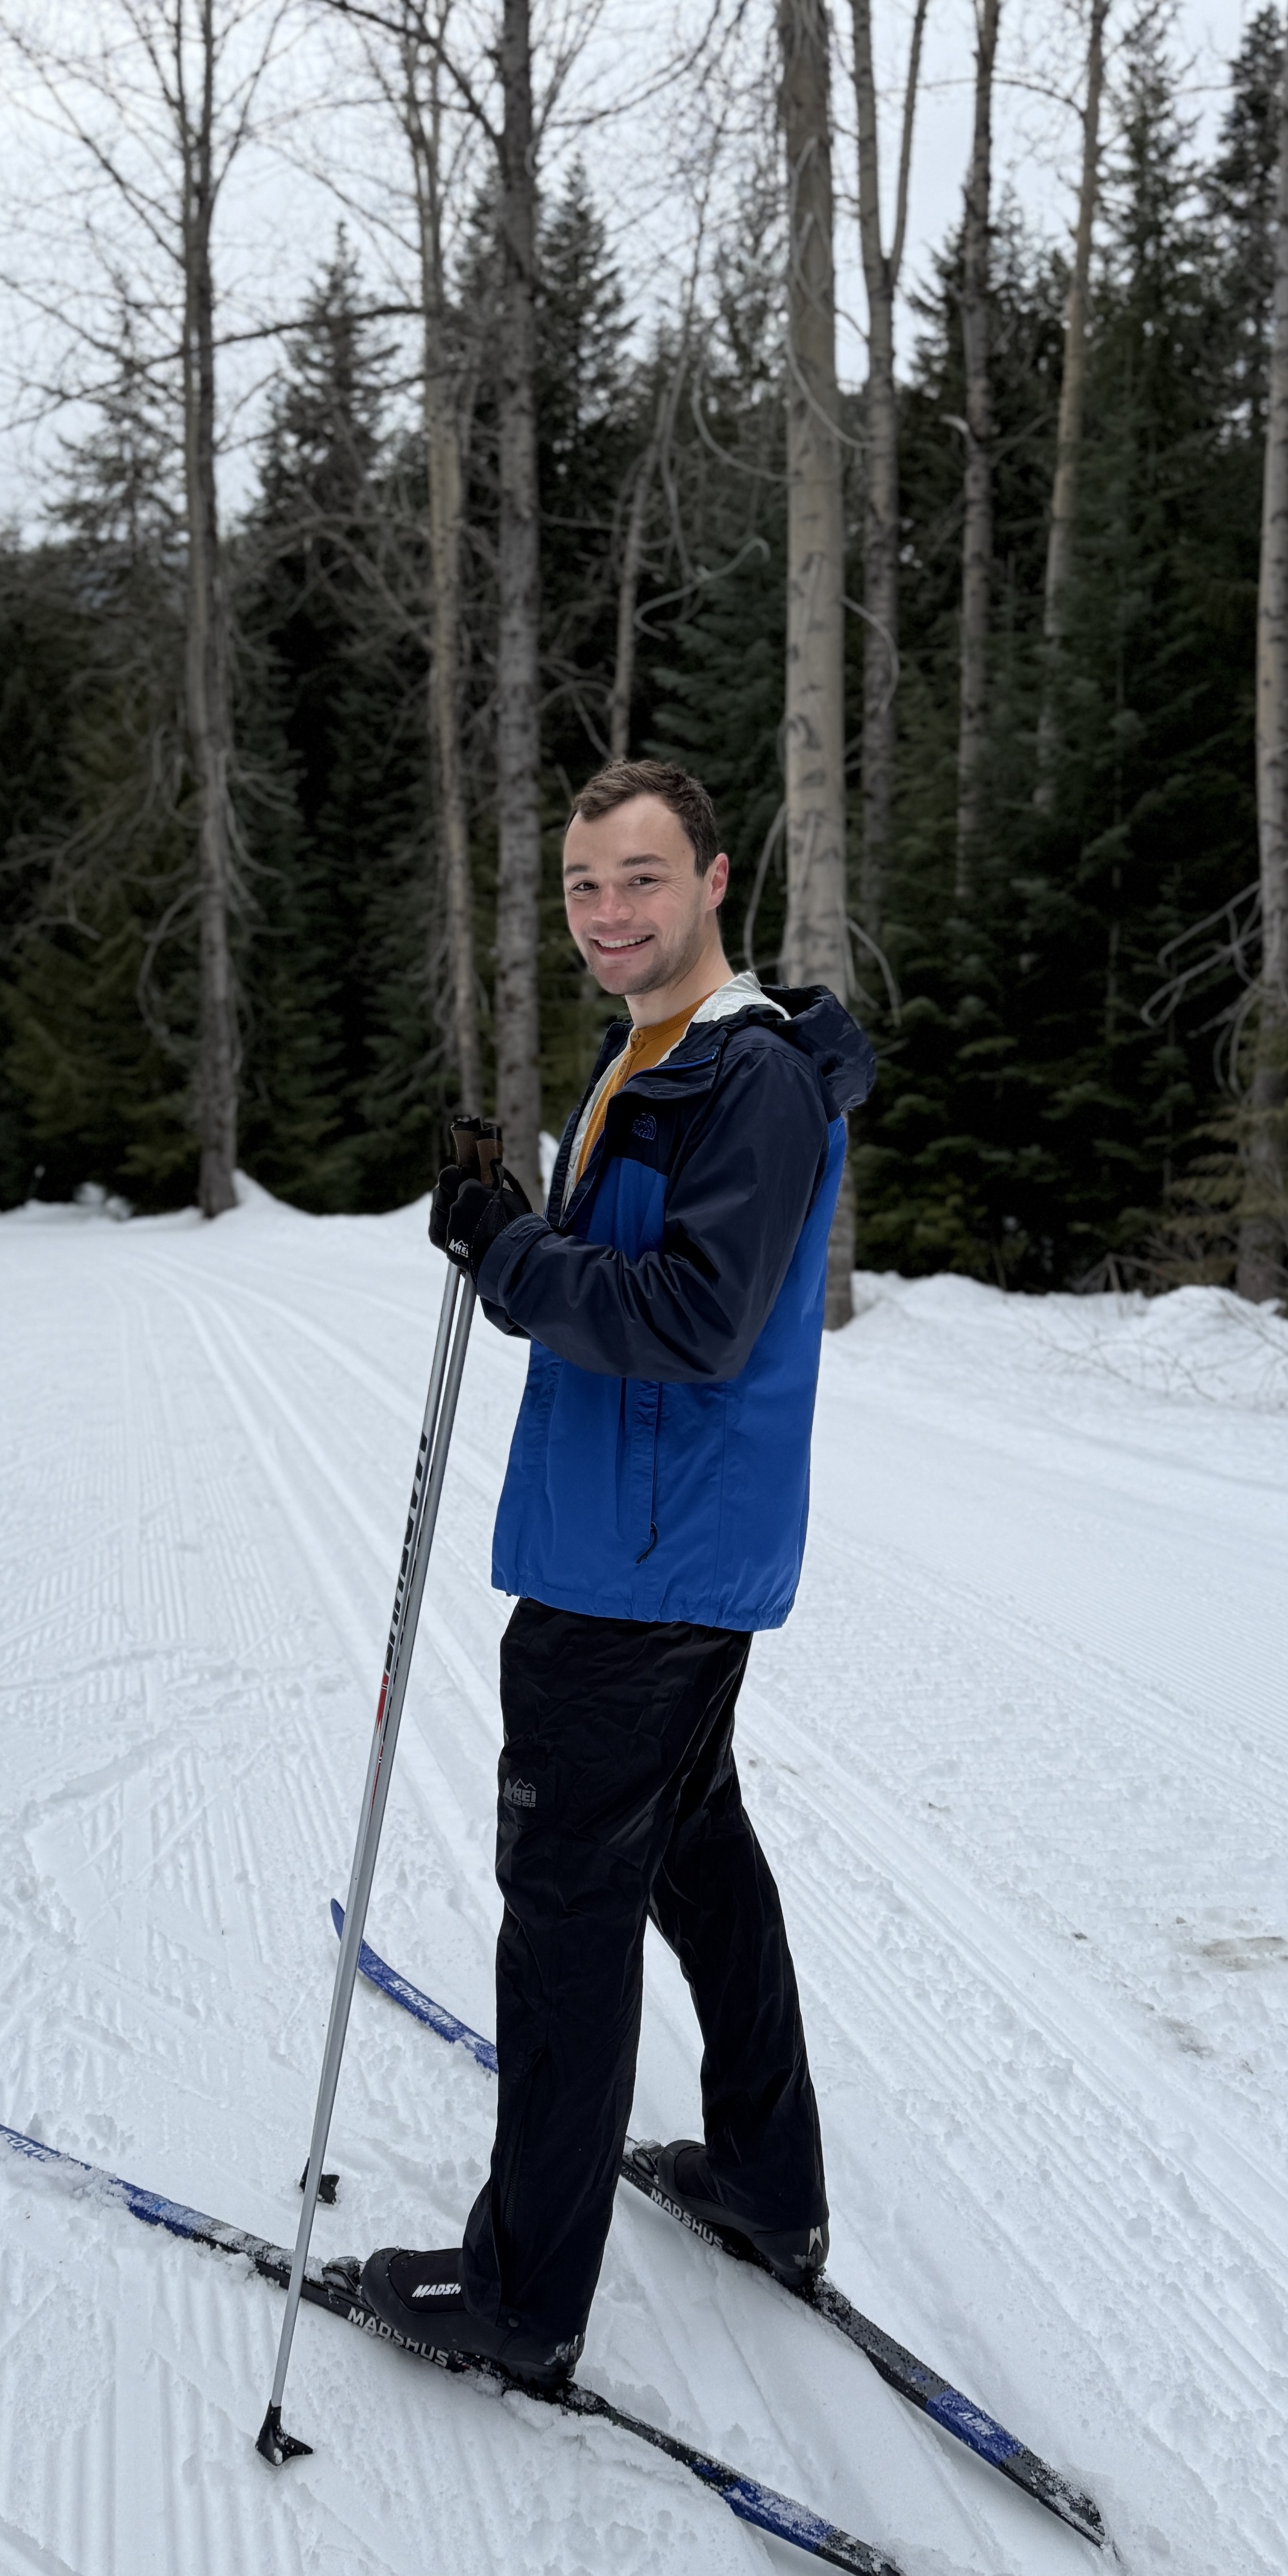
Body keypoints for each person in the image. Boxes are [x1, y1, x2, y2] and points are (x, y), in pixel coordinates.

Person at [358, 756, 877, 2386]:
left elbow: (700, 1320)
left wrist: (512, 1258)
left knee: (568, 1907)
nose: (607, 913)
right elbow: (631, 1265)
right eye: (585, 886)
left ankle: (523, 2300)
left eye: (641, 878)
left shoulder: (750, 1078)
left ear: (713, 881)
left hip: (642, 1568)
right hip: (646, 1542)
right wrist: (516, 1223)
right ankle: (765, 2183)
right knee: (693, 1853)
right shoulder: (647, 1055)